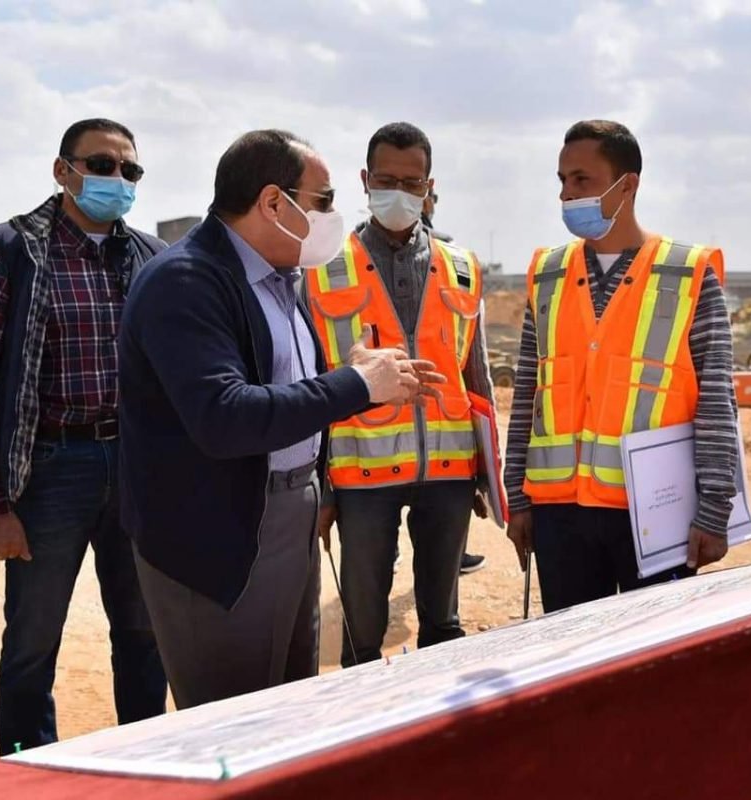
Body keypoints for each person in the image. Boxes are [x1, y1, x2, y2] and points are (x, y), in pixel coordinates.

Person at [119, 129, 440, 709]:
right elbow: (225, 416)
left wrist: (357, 381)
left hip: (290, 516)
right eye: (322, 201)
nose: (333, 216)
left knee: (291, 707)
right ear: (273, 202)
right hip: (222, 535)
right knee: (236, 718)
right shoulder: (185, 281)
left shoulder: (279, 277)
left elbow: (285, 390)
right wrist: (356, 385)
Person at [0, 118, 168, 755]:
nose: (117, 179)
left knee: (144, 634)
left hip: (136, 468)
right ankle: (28, 772)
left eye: (130, 170)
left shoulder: (150, 257)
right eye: (102, 165)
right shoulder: (13, 249)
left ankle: (147, 763)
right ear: (63, 171)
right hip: (51, 470)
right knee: (33, 642)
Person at [503, 119, 737, 613]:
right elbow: (529, 389)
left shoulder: (687, 274)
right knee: (572, 652)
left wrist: (715, 508)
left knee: (654, 654)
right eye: (562, 180)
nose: (566, 194)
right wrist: (517, 497)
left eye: (581, 180)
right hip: (559, 513)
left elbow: (717, 399)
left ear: (626, 185)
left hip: (656, 513)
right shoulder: (547, 274)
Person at [308, 122, 495, 667]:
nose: (399, 193)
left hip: (449, 470)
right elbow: (312, 380)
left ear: (428, 187)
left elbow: (477, 375)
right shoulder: (323, 268)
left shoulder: (461, 266)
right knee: (363, 633)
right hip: (362, 476)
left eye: (412, 184)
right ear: (365, 180)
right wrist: (322, 486)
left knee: (444, 624)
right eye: (386, 180)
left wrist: (485, 472)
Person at [420, 187, 487, 576]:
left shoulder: (452, 256)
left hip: (444, 411)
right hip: (422, 408)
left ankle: (453, 555)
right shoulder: (449, 252)